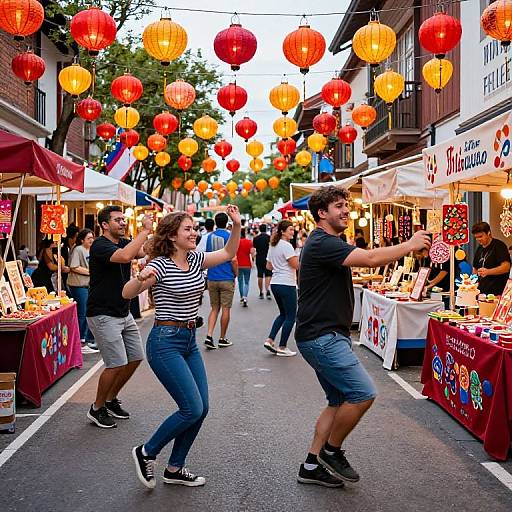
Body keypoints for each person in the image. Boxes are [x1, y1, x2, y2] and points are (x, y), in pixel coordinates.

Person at [294, 186, 431, 488]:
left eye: (346, 205)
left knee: (337, 400)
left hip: (324, 335)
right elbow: (370, 259)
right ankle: (331, 451)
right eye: (339, 206)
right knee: (362, 393)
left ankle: (310, 465)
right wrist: (409, 244)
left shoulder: (325, 242)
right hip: (322, 337)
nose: (346, 211)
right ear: (322, 213)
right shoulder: (323, 242)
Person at [123, 206, 241, 489]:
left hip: (189, 341)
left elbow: (227, 253)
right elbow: (126, 293)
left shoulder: (197, 258)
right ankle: (147, 451)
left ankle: (175, 468)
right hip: (165, 342)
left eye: (194, 228)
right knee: (191, 408)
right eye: (187, 229)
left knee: (202, 408)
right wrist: (141, 277)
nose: (194, 232)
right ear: (172, 236)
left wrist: (236, 226)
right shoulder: (160, 265)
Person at [86, 205, 153, 429]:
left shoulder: (123, 242)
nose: (123, 223)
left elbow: (143, 252)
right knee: (115, 363)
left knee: (135, 357)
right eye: (118, 220)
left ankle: (110, 399)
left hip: (123, 312)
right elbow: (125, 257)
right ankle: (96, 408)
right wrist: (144, 230)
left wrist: (159, 233)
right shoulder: (100, 245)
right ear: (105, 225)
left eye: (124, 219)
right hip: (103, 313)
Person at [263, 220, 299, 357]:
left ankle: (270, 339)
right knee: (291, 316)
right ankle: (282, 346)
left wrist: (280, 265)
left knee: (283, 314)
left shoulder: (273, 245)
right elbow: (296, 265)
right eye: (290, 229)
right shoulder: (287, 246)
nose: (293, 231)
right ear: (283, 231)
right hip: (287, 283)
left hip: (275, 282)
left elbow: (268, 266)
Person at [203, 212, 236, 350]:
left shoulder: (209, 237)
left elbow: (205, 255)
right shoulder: (230, 236)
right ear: (227, 222)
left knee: (214, 308)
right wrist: (235, 274)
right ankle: (222, 338)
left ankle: (209, 336)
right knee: (226, 308)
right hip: (226, 276)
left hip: (212, 277)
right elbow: (234, 259)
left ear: (216, 223)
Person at [67, 229, 98, 354]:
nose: (91, 240)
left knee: (88, 311)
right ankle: (80, 341)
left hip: (87, 285)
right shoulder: (78, 249)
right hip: (78, 285)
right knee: (83, 311)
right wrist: (90, 272)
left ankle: (87, 338)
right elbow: (73, 267)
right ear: (82, 240)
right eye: (88, 238)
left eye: (92, 238)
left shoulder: (90, 250)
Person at [472, 222, 511, 295]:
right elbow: (475, 269)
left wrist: (487, 272)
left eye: (480, 236)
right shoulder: (479, 249)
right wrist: (473, 283)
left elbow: (506, 267)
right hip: (481, 292)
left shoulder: (499, 246)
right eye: (476, 237)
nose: (478, 240)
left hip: (497, 292)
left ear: (488, 233)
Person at [236, 228, 255, 307]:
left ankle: (241, 297)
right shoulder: (249, 242)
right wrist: (253, 260)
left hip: (238, 264)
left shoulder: (236, 242)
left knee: (240, 281)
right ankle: (245, 297)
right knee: (246, 282)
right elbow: (252, 253)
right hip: (247, 264)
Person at [253, 223, 272, 299]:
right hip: (267, 257)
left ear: (260, 229)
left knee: (260, 275)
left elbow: (254, 248)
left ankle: (261, 292)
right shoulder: (269, 238)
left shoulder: (256, 238)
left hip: (259, 257)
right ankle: (267, 290)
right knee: (268, 275)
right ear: (266, 229)